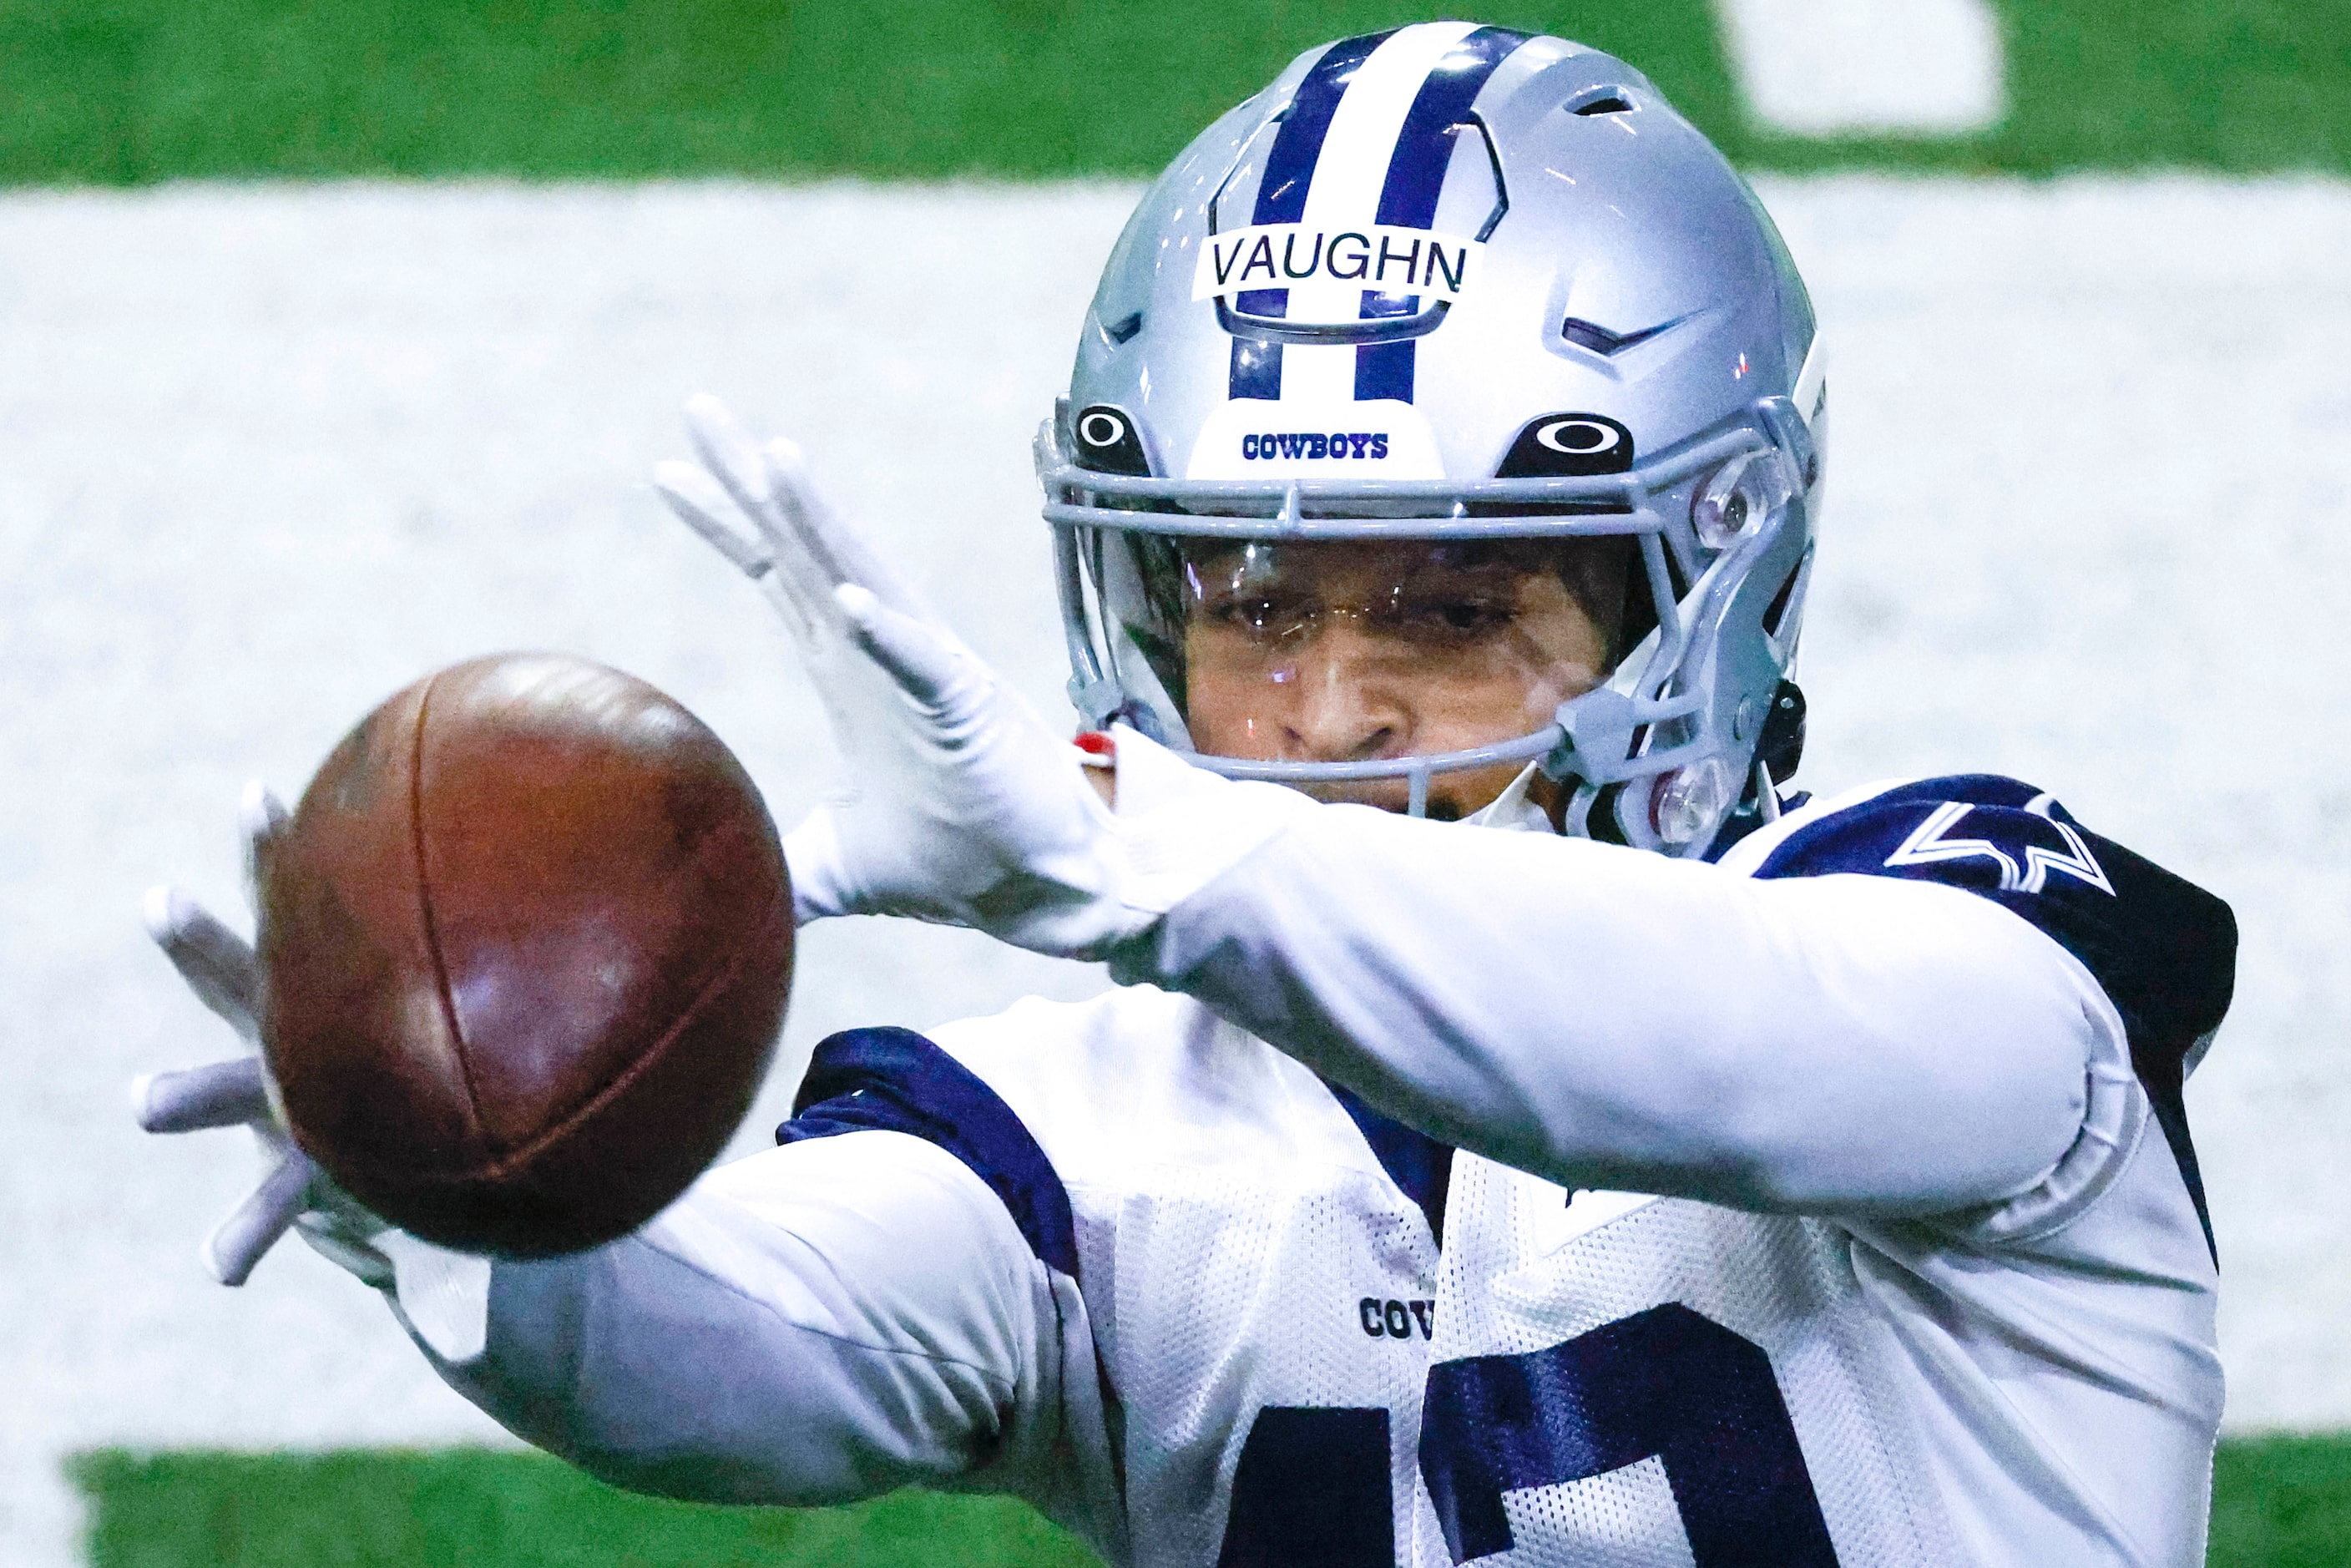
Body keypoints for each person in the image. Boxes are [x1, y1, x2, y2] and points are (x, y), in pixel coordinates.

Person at [136, 23, 2236, 1565]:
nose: (1319, 712)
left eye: (1444, 603)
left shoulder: (1954, 945)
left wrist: (1139, 851)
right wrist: (452, 1180)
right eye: (1243, 600)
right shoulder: (1118, 1126)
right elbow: (734, 1361)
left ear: (1703, 578)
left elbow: (1697, 1043)